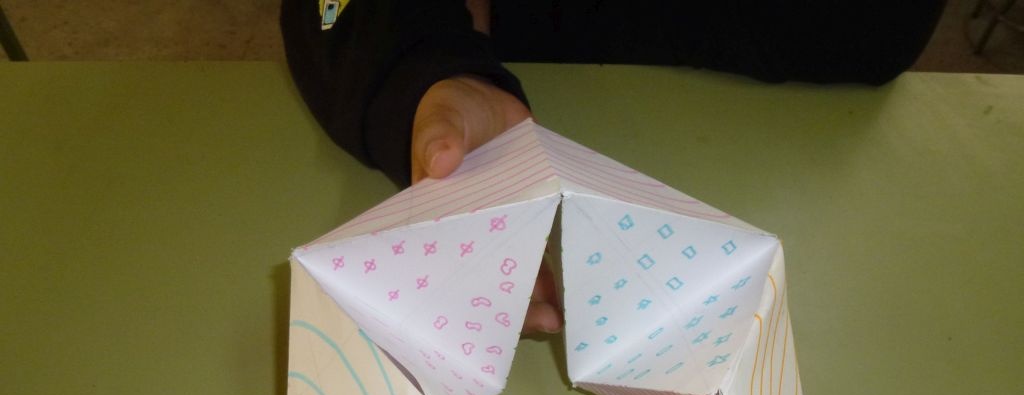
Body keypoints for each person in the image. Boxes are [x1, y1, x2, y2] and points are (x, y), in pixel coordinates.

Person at [280, 0, 945, 333]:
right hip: (506, 64)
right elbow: (329, 10)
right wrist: (425, 73)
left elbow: (879, 30)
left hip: (798, 129)